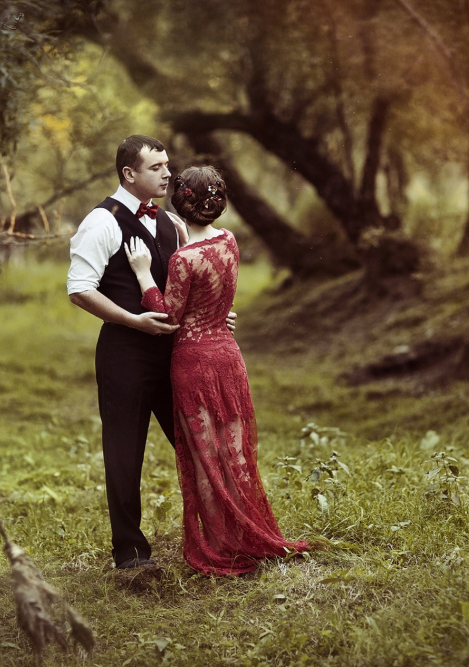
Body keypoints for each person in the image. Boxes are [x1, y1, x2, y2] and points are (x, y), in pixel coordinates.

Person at [124, 166, 308, 576]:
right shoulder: (228, 240)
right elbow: (216, 300)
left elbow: (169, 317)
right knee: (236, 454)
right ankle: (249, 533)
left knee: (206, 458)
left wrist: (141, 273)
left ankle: (221, 545)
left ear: (180, 203)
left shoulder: (183, 259)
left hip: (193, 362)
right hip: (228, 355)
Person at [66, 135, 185, 570]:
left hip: (176, 352)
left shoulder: (172, 223)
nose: (167, 174)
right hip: (125, 353)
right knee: (124, 451)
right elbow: (79, 289)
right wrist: (133, 321)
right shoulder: (101, 221)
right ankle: (131, 553)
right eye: (156, 167)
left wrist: (213, 317)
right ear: (128, 173)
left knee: (194, 442)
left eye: (167, 165)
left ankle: (214, 535)